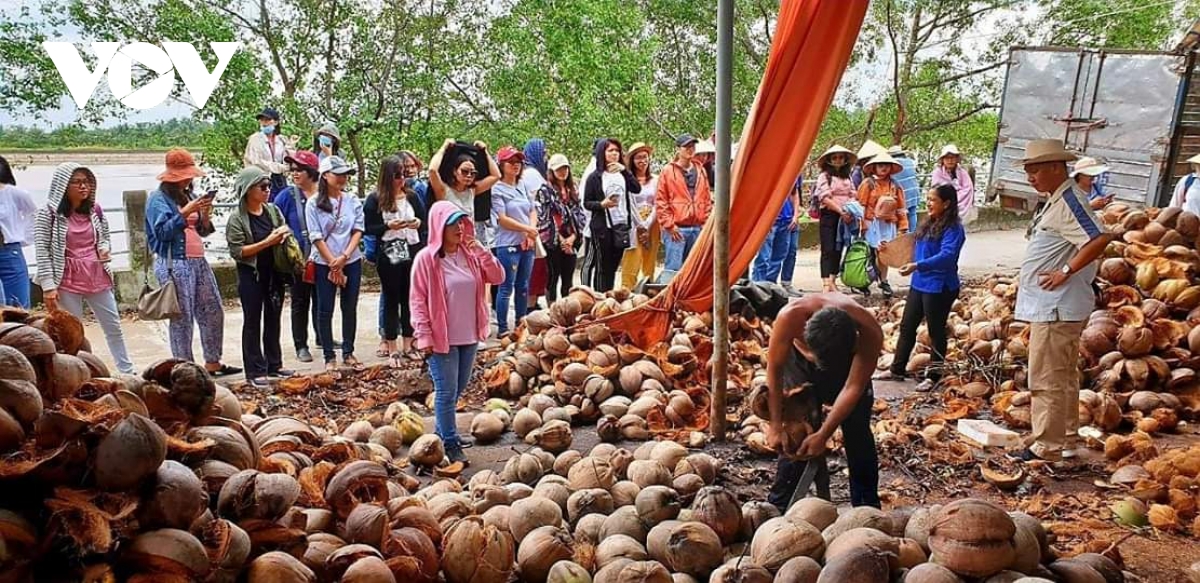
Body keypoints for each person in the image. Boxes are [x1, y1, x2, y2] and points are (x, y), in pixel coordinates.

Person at [1008, 139, 1111, 464]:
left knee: (1046, 375)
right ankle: (1065, 438)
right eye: (1027, 171)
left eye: (1035, 170)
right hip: (1054, 305)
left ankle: (1045, 445)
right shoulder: (1057, 199)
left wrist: (1065, 271)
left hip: (1056, 306)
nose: (1030, 177)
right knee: (1063, 375)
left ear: (1056, 167)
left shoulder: (1069, 199)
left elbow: (1100, 238)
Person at [764, 294, 882, 510]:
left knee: (858, 430)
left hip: (845, 366)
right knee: (797, 430)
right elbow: (774, 369)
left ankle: (867, 506)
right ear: (806, 327)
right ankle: (779, 503)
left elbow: (853, 387)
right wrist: (775, 424)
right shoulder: (790, 317)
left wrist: (824, 434)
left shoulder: (869, 331)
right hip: (797, 363)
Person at [411, 201, 506, 464]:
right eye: (452, 224)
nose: (458, 229)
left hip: (469, 334)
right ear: (438, 226)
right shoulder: (426, 260)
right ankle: (450, 443)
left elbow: (498, 277)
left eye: (460, 223)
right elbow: (417, 300)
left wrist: (483, 251)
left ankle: (441, 433)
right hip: (442, 337)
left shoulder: (471, 254)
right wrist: (424, 335)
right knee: (445, 390)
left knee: (458, 388)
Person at [145, 149, 240, 376]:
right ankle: (183, 366)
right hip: (174, 262)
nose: (189, 180)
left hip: (198, 260)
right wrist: (185, 212)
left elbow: (203, 231)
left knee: (213, 309)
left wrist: (204, 213)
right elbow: (162, 233)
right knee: (182, 317)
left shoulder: (186, 195)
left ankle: (213, 361)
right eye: (184, 176)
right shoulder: (157, 200)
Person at [34, 163, 134, 374]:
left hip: (96, 274)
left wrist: (104, 249)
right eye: (77, 182)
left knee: (113, 325)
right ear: (63, 185)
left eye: (87, 182)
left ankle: (126, 370)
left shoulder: (94, 210)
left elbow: (104, 236)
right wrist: (48, 287)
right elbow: (42, 250)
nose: (83, 187)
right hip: (67, 277)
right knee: (72, 332)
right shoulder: (48, 214)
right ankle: (77, 372)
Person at [873, 184, 965, 390]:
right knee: (907, 326)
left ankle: (934, 375)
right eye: (928, 198)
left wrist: (918, 265)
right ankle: (897, 369)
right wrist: (888, 248)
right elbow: (911, 243)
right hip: (920, 283)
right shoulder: (929, 223)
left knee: (936, 331)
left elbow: (947, 256)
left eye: (933, 200)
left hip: (940, 286)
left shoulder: (954, 229)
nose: (928, 203)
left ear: (947, 203)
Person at [226, 167, 296, 387]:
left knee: (274, 318)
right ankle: (254, 369)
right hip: (251, 274)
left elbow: (285, 231)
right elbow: (238, 251)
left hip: (274, 272)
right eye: (263, 187)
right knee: (253, 320)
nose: (268, 190)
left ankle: (274, 363)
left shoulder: (273, 211)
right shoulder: (237, 218)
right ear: (248, 190)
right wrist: (268, 241)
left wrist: (283, 236)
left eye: (269, 186)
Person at [365, 157, 428, 366]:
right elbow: (369, 228)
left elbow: (424, 220)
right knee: (391, 298)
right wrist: (388, 226)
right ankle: (392, 346)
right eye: (397, 176)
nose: (401, 180)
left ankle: (408, 344)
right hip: (390, 249)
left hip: (411, 248)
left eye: (404, 175)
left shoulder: (412, 196)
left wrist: (417, 223)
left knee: (410, 298)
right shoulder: (375, 199)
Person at [305, 155, 366, 371]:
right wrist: (332, 261)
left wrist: (344, 257)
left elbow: (358, 229)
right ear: (325, 175)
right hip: (325, 261)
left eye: (345, 175)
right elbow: (315, 235)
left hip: (350, 259)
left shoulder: (352, 201)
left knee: (349, 307)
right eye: (337, 174)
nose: (342, 179)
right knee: (325, 308)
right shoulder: (313, 203)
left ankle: (348, 351)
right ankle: (329, 355)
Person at [274, 150, 322, 363]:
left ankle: (323, 336)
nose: (294, 173)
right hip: (298, 261)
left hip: (322, 258)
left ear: (311, 172)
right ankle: (301, 344)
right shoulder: (286, 196)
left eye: (299, 169)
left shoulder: (325, 195)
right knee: (300, 302)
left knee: (322, 300)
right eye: (292, 169)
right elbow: (275, 221)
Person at [490, 146, 539, 334]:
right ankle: (503, 327)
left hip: (526, 242)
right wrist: (527, 229)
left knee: (523, 285)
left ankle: (521, 322)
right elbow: (502, 219)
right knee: (506, 286)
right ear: (501, 165)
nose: (515, 166)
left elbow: (532, 209)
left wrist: (530, 231)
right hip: (508, 243)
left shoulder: (523, 185)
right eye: (510, 162)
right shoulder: (497, 189)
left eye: (518, 162)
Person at [584, 139, 641, 292]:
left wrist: (624, 170)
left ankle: (609, 296)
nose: (614, 154)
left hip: (621, 226)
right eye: (610, 151)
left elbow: (636, 188)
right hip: (603, 228)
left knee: (614, 266)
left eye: (617, 150)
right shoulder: (595, 177)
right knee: (603, 267)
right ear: (602, 153)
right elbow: (587, 203)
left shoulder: (623, 174)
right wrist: (602, 204)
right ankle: (600, 298)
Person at [656, 134, 712, 275]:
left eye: (692, 146)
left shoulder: (700, 170)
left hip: (697, 227)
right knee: (673, 270)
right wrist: (669, 225)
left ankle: (687, 298)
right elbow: (661, 200)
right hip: (676, 229)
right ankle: (671, 297)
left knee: (693, 270)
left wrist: (706, 223)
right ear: (678, 149)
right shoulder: (668, 171)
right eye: (686, 147)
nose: (690, 149)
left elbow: (706, 199)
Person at [857, 152, 909, 298]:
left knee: (885, 252)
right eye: (881, 165)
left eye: (886, 165)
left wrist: (903, 226)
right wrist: (862, 224)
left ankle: (883, 280)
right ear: (874, 167)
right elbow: (861, 205)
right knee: (870, 253)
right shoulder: (868, 184)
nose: (884, 168)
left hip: (888, 224)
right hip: (871, 222)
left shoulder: (895, 185)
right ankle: (864, 281)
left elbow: (901, 208)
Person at [537, 154, 586, 301]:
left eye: (565, 168)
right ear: (552, 171)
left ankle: (567, 307)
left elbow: (579, 214)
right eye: (559, 169)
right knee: (553, 275)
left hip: (571, 237)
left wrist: (573, 237)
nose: (563, 172)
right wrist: (560, 238)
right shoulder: (545, 190)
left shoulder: (573, 189)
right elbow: (543, 217)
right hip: (553, 239)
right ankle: (552, 308)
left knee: (568, 276)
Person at [811, 146, 858, 293]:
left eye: (841, 157)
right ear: (829, 161)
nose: (838, 160)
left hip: (846, 215)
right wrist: (840, 210)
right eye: (835, 158)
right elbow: (824, 197)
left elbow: (853, 193)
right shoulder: (824, 176)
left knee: (839, 248)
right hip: (830, 215)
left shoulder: (847, 177)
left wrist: (850, 209)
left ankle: (832, 280)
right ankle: (826, 282)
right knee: (828, 248)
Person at [753, 171, 802, 288]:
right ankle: (757, 287)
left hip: (786, 219)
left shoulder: (793, 171)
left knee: (778, 256)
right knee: (764, 257)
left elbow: (794, 193)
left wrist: (795, 215)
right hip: (769, 221)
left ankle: (770, 286)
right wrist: (764, 220)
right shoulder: (767, 171)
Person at [621, 143, 659, 290]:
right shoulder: (627, 180)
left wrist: (648, 223)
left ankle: (648, 288)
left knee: (650, 257)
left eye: (645, 157)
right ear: (632, 160)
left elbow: (658, 202)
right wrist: (640, 225)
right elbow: (628, 203)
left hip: (652, 221)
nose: (642, 161)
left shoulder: (655, 179)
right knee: (632, 256)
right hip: (634, 222)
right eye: (638, 158)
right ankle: (627, 290)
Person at [0, 156, 36, 308]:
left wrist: (24, 238)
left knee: (17, 305)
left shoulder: (14, 194)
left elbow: (34, 214)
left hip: (9, 252)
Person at [428, 139, 501, 216]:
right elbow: (432, 170)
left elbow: (496, 176)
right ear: (455, 171)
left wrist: (485, 152)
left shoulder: (472, 191)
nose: (469, 175)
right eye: (464, 171)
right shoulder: (443, 191)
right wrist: (444, 147)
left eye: (473, 173)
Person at [521, 139, 549, 310]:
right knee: (535, 269)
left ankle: (533, 302)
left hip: (538, 226)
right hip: (536, 227)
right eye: (543, 153)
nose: (545, 156)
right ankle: (530, 304)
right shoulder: (531, 175)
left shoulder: (535, 173)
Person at [931, 144, 976, 223]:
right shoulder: (937, 173)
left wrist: (955, 197)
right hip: (943, 208)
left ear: (957, 159)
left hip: (961, 208)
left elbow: (968, 189)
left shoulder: (962, 173)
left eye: (952, 158)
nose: (950, 160)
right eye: (947, 158)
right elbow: (937, 192)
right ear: (943, 160)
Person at [889, 145, 921, 232]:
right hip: (914, 190)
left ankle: (905, 234)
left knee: (902, 214)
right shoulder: (909, 162)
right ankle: (913, 233)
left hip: (903, 192)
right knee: (912, 213)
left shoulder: (893, 165)